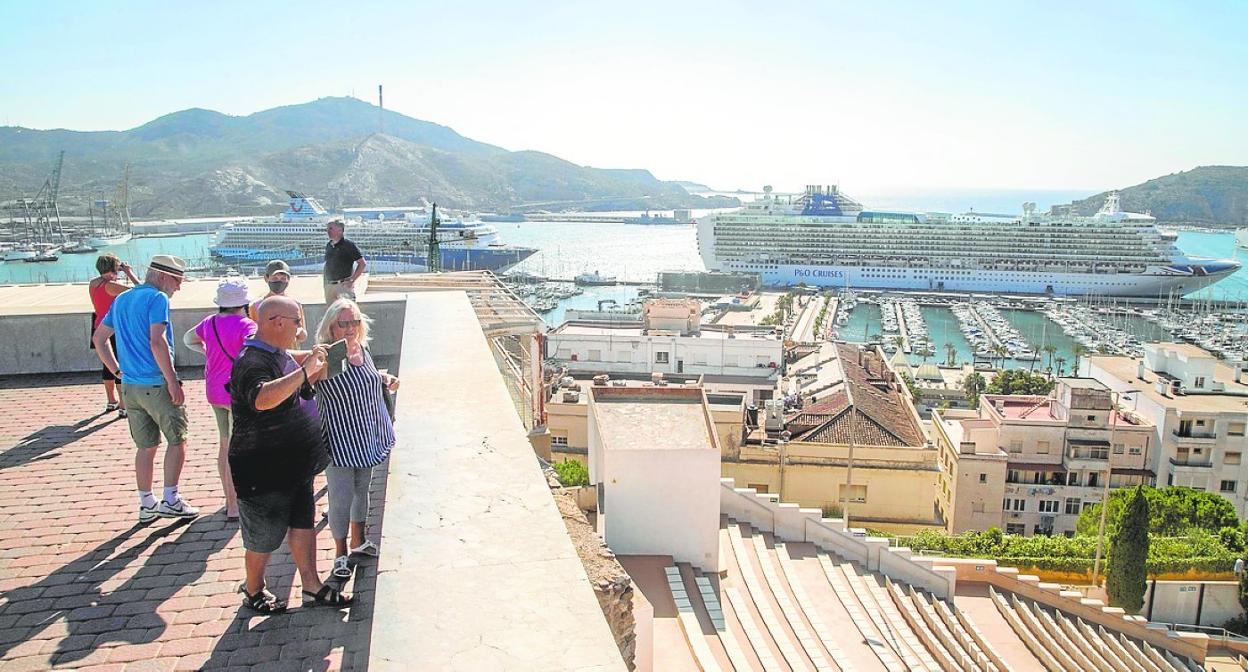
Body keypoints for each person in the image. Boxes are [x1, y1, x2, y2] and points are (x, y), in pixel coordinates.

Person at [229, 295, 351, 613]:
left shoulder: (274, 350)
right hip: (264, 469)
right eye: (297, 321)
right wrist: (305, 371)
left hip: (295, 464)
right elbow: (262, 398)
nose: (301, 329)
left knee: (302, 523)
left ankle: (311, 585)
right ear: (277, 322)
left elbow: (289, 358)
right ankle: (254, 590)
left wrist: (314, 357)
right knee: (264, 538)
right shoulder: (251, 361)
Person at [92, 255, 198, 523]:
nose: (178, 287)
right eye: (177, 280)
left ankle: (146, 504)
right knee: (177, 440)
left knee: (145, 447)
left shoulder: (122, 299)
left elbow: (99, 339)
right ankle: (171, 499)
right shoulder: (157, 299)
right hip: (156, 382)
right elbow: (157, 341)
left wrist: (118, 371)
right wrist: (172, 380)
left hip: (130, 386)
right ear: (164, 277)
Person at [313, 299, 398, 579]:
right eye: (344, 323)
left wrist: (383, 378)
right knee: (340, 497)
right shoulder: (326, 356)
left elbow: (367, 378)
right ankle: (339, 554)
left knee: (363, 489)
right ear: (331, 327)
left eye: (355, 322)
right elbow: (308, 383)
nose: (350, 328)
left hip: (366, 434)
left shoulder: (362, 349)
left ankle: (358, 540)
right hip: (338, 438)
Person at [184, 278, 256, 520]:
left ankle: (229, 500)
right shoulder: (247, 325)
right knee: (239, 448)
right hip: (237, 392)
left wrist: (206, 350)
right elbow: (254, 350)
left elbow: (188, 339)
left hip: (215, 390)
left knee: (225, 443)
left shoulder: (210, 323)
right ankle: (237, 504)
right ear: (244, 302)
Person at [88, 253, 141, 416]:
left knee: (107, 365)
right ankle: (124, 405)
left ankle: (111, 401)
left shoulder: (94, 283)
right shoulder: (110, 285)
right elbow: (141, 290)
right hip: (114, 327)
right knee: (119, 365)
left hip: (98, 325)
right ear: (113, 267)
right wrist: (129, 272)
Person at [248, 259, 306, 346]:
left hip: (289, 355)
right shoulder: (256, 306)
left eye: (283, 278)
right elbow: (250, 336)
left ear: (288, 280)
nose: (279, 282)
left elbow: (303, 336)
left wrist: (298, 332)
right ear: (266, 278)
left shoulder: (295, 305)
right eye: (275, 278)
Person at [323, 219, 366, 304]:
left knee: (347, 313)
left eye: (331, 228)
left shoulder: (348, 245)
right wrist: (325, 284)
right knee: (332, 315)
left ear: (340, 230)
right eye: (327, 229)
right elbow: (327, 264)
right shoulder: (329, 245)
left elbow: (362, 263)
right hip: (329, 286)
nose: (328, 231)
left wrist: (352, 280)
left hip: (343, 286)